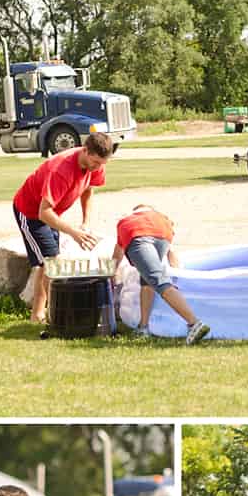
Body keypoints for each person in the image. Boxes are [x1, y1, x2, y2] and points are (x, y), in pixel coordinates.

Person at [13, 133, 113, 323]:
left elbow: (88, 190)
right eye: (95, 162)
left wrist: (85, 222)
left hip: (52, 214)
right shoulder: (61, 170)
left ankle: (39, 314)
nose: (97, 167)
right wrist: (74, 233)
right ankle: (60, 314)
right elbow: (43, 212)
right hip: (31, 212)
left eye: (102, 163)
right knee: (52, 263)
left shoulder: (97, 165)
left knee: (48, 263)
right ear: (85, 150)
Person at [113, 203, 210, 344]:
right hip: (163, 233)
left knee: (160, 282)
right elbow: (171, 252)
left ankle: (194, 323)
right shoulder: (159, 217)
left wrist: (112, 272)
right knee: (147, 281)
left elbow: (118, 253)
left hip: (137, 236)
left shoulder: (128, 221)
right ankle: (143, 328)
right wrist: (178, 273)